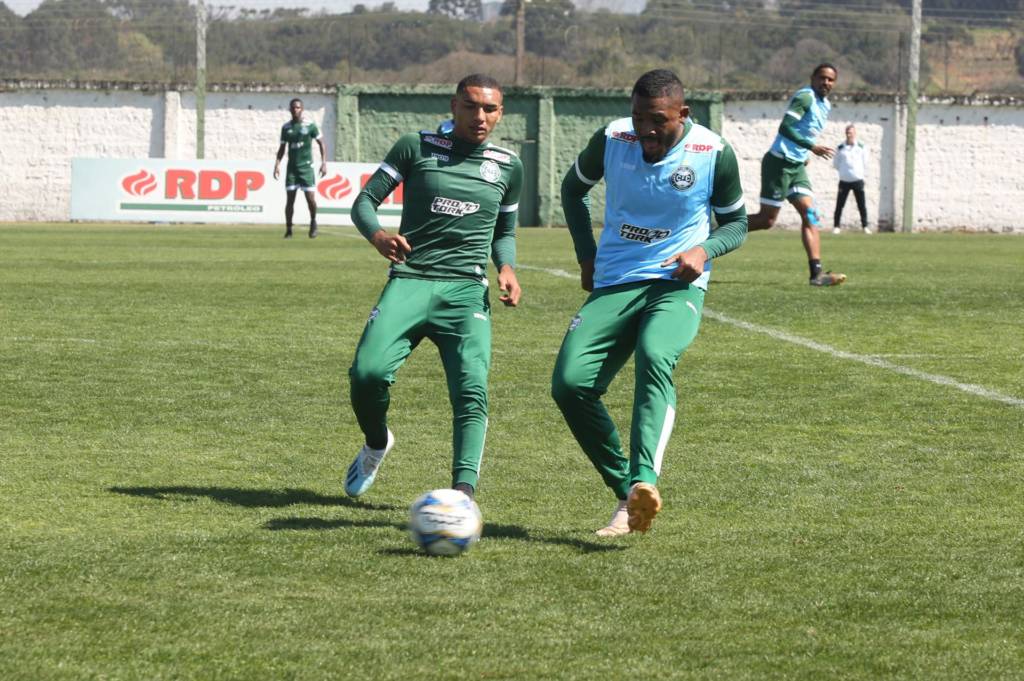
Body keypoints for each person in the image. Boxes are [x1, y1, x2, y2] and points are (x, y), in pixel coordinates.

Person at [552, 69, 747, 536]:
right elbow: (572, 190)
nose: (645, 130)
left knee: (656, 354)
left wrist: (704, 251)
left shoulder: (713, 153)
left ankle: (645, 479)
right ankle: (627, 493)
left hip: (675, 284)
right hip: (616, 280)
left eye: (657, 120)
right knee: (569, 384)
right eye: (639, 117)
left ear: (683, 114)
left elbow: (736, 224)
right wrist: (586, 255)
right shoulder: (613, 138)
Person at [344, 74, 523, 502]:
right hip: (410, 280)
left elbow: (505, 230)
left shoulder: (507, 165)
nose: (480, 117)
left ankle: (462, 494)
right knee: (366, 374)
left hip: (465, 292)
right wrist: (378, 236)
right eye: (471, 106)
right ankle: (375, 442)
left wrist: (508, 266)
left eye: (490, 109)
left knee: (471, 390)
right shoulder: (415, 147)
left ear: (500, 113)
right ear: (453, 105)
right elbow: (364, 202)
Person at [747, 63, 846, 286]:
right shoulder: (805, 97)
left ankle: (816, 274)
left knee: (811, 214)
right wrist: (811, 147)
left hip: (797, 166)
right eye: (822, 78)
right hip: (779, 163)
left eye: (831, 80)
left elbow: (803, 130)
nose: (826, 83)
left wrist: (804, 153)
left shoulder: (825, 104)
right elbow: (786, 127)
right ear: (812, 78)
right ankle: (720, 228)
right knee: (766, 220)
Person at [273, 98, 327, 238]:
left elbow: (321, 143)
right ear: (290, 110)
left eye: (298, 107)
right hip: (292, 169)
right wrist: (277, 164)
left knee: (310, 199)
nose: (295, 110)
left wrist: (324, 163)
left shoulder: (310, 126)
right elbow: (282, 147)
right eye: (293, 108)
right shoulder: (286, 128)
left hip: (306, 168)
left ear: (302, 109)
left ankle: (313, 222)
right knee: (290, 200)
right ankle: (289, 229)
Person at [832, 124, 870, 234]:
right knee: (840, 204)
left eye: (851, 132)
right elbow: (836, 164)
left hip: (857, 180)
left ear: (855, 133)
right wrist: (844, 172)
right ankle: (836, 226)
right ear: (845, 133)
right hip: (844, 181)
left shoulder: (861, 147)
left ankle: (865, 226)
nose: (850, 134)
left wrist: (858, 172)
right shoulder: (840, 148)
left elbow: (865, 162)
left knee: (861, 204)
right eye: (848, 132)